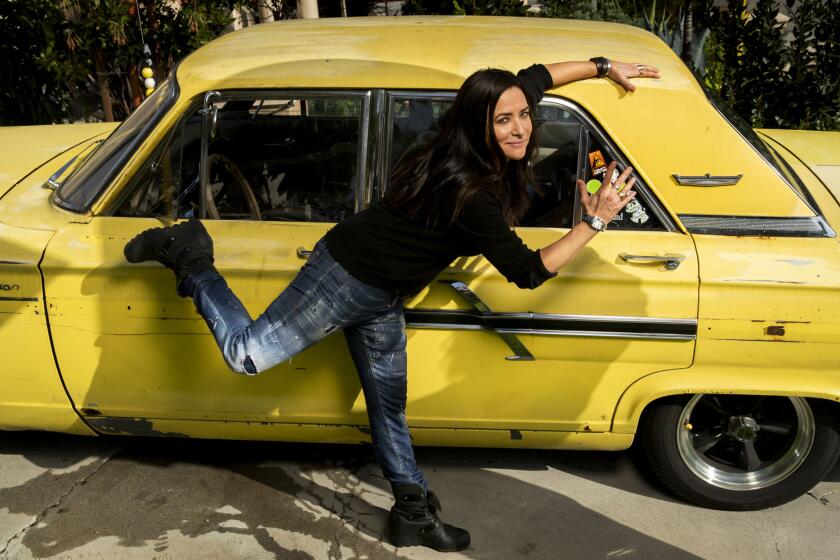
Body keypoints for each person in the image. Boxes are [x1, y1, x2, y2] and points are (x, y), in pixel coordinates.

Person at [124, 57, 659, 552]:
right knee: (246, 356)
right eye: (504, 121)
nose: (520, 128)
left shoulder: (474, 151)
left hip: (384, 293)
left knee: (389, 407)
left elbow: (536, 76)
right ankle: (189, 256)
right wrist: (595, 220)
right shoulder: (473, 194)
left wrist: (604, 67)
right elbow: (528, 272)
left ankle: (411, 513)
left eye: (524, 116)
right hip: (343, 277)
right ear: (478, 125)